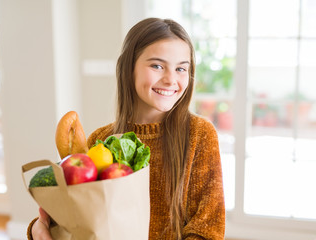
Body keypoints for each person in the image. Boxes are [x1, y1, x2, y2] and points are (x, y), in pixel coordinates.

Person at [28, 17, 225, 240]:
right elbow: (80, 216)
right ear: (128, 68)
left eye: (181, 68)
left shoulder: (199, 134)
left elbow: (207, 230)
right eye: (157, 65)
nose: (171, 79)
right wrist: (39, 227)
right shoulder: (101, 141)